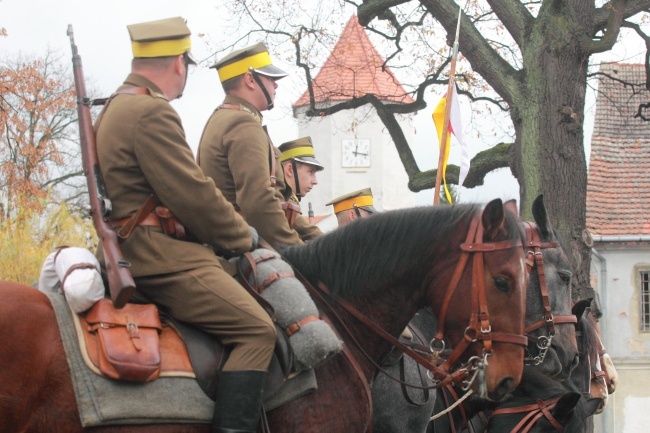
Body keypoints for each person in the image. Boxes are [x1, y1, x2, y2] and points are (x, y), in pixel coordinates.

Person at [94, 17, 275, 433]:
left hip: (133, 249)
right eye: (187, 67)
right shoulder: (150, 111)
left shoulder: (116, 107)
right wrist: (242, 237)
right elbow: (192, 194)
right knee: (258, 331)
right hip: (161, 258)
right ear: (179, 62)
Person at [198, 42, 323, 251]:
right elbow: (259, 203)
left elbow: (278, 201)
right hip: (243, 245)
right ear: (250, 79)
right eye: (271, 79)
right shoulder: (242, 123)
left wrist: (320, 242)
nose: (276, 85)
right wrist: (299, 251)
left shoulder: (225, 117)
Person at [278, 136, 324, 202]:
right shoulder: (277, 202)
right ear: (290, 170)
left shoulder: (283, 200)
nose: (315, 181)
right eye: (310, 172)